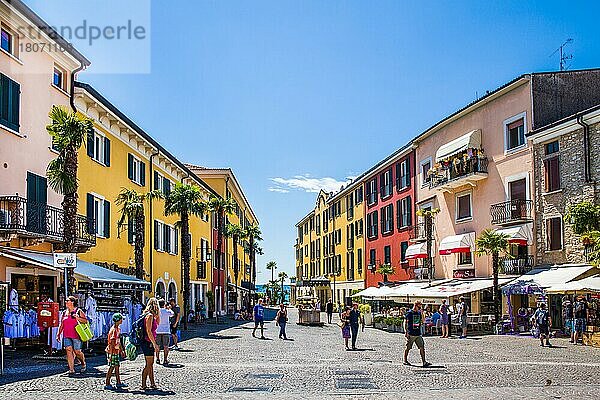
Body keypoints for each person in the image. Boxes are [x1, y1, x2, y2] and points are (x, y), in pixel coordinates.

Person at [55, 295, 88, 375]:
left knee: (77, 351)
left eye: (67, 300)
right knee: (69, 351)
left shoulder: (78, 311)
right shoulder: (64, 312)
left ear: (72, 302)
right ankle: (71, 369)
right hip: (67, 335)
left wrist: (77, 318)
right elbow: (62, 324)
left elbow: (85, 321)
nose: (66, 302)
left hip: (76, 334)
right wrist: (58, 334)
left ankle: (83, 363)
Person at [403, 301, 431, 367]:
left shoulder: (419, 313)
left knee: (422, 347)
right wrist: (406, 332)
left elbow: (423, 321)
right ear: (415, 306)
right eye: (419, 307)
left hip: (418, 333)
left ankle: (424, 362)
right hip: (411, 333)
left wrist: (422, 314)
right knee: (408, 347)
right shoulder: (409, 313)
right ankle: (405, 360)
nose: (420, 308)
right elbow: (405, 322)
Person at [141, 298, 160, 391]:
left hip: (149, 341)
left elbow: (157, 324)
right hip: (147, 342)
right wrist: (154, 344)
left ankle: (152, 383)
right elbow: (149, 331)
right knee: (149, 364)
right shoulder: (149, 316)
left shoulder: (151, 315)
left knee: (150, 364)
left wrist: (158, 315)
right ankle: (143, 384)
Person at [105, 313, 127, 390]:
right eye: (121, 319)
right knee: (112, 367)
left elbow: (118, 341)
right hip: (113, 351)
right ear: (118, 320)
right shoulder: (114, 330)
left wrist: (121, 350)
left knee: (116, 366)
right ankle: (107, 383)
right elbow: (112, 342)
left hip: (116, 351)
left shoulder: (117, 328)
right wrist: (111, 354)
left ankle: (118, 382)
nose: (122, 321)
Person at [156, 299, 174, 365]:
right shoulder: (167, 311)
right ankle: (165, 359)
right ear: (164, 304)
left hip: (157, 330)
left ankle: (157, 358)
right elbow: (172, 314)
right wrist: (169, 308)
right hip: (166, 331)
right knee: (166, 346)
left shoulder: (157, 311)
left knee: (157, 346)